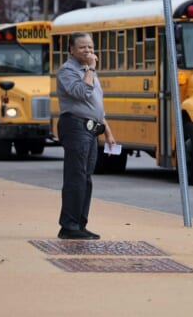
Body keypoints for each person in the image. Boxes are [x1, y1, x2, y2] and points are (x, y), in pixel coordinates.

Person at [55, 32, 116, 240]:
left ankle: (80, 224)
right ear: (71, 50)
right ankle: (68, 226)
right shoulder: (67, 71)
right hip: (74, 126)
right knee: (75, 177)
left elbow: (95, 105)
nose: (88, 51)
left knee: (86, 178)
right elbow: (81, 93)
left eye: (90, 47)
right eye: (83, 48)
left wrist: (107, 130)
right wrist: (90, 68)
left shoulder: (89, 71)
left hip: (91, 128)